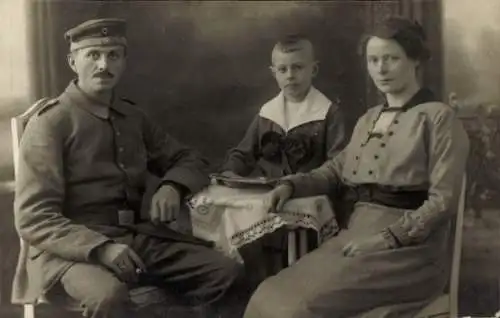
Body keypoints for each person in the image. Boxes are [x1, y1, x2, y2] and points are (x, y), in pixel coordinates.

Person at [13, 18, 243, 318]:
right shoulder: (51, 123)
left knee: (226, 273)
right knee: (108, 297)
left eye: (113, 55)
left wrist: (172, 185)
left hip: (133, 238)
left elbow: (190, 158)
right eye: (93, 55)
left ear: (124, 61)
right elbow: (33, 216)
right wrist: (101, 248)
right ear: (72, 61)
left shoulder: (132, 117)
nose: (103, 64)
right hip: (70, 252)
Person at [243, 16, 470, 318]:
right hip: (355, 237)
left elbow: (443, 202)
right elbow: (335, 171)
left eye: (391, 58)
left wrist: (386, 239)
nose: (381, 68)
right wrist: (292, 185)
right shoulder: (369, 119)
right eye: (373, 60)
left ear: (415, 60)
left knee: (298, 308)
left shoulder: (439, 118)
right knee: (267, 294)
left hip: (411, 254)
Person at [220, 34, 346, 180]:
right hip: (268, 190)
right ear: (274, 73)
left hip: (308, 191)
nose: (290, 75)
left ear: (314, 70)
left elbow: (337, 163)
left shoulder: (328, 113)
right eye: (282, 70)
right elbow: (244, 153)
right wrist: (231, 170)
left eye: (297, 67)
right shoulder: (268, 113)